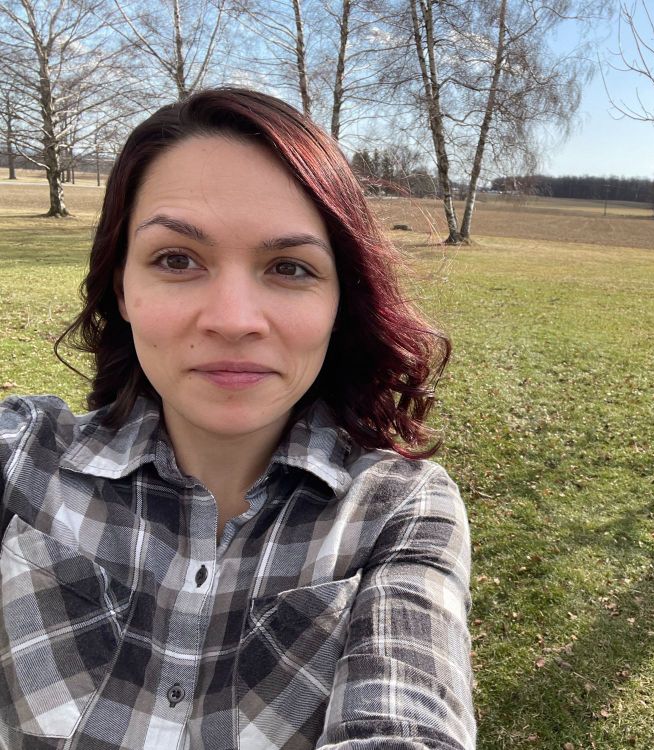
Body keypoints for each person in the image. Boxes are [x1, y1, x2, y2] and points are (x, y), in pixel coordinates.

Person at [0, 88, 474, 750]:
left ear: (342, 299)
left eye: (288, 267)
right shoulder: (20, 459)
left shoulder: (395, 513)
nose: (232, 318)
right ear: (121, 287)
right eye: (176, 259)